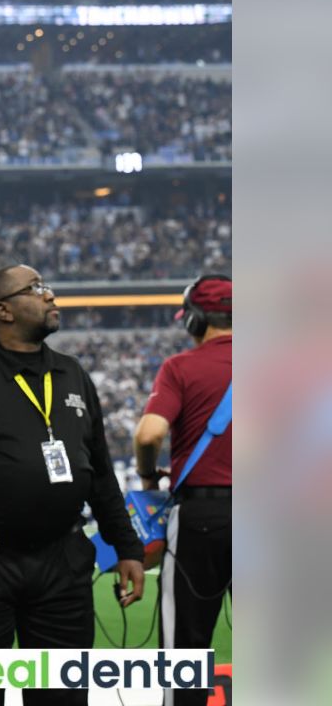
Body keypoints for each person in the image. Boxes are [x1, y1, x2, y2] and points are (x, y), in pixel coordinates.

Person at [0, 265, 146, 706]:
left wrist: (127, 547)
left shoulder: (72, 374)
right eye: (37, 289)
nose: (51, 296)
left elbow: (101, 474)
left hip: (62, 562)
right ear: (3, 310)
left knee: (63, 697)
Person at [133, 275, 232, 706]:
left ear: (193, 319)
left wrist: (147, 478)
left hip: (202, 517)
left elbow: (148, 434)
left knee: (185, 649)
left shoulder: (181, 367)